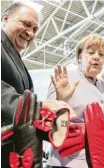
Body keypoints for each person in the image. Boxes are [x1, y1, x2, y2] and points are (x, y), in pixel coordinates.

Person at [1, 2, 76, 167]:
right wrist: (39, 108)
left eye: (35, 29)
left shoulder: (14, 57)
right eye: (26, 24)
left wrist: (59, 99)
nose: (30, 33)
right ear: (5, 19)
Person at [46, 34, 104, 168]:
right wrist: (61, 101)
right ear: (79, 57)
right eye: (91, 52)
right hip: (71, 162)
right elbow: (47, 121)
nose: (96, 57)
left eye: (101, 54)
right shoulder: (65, 78)